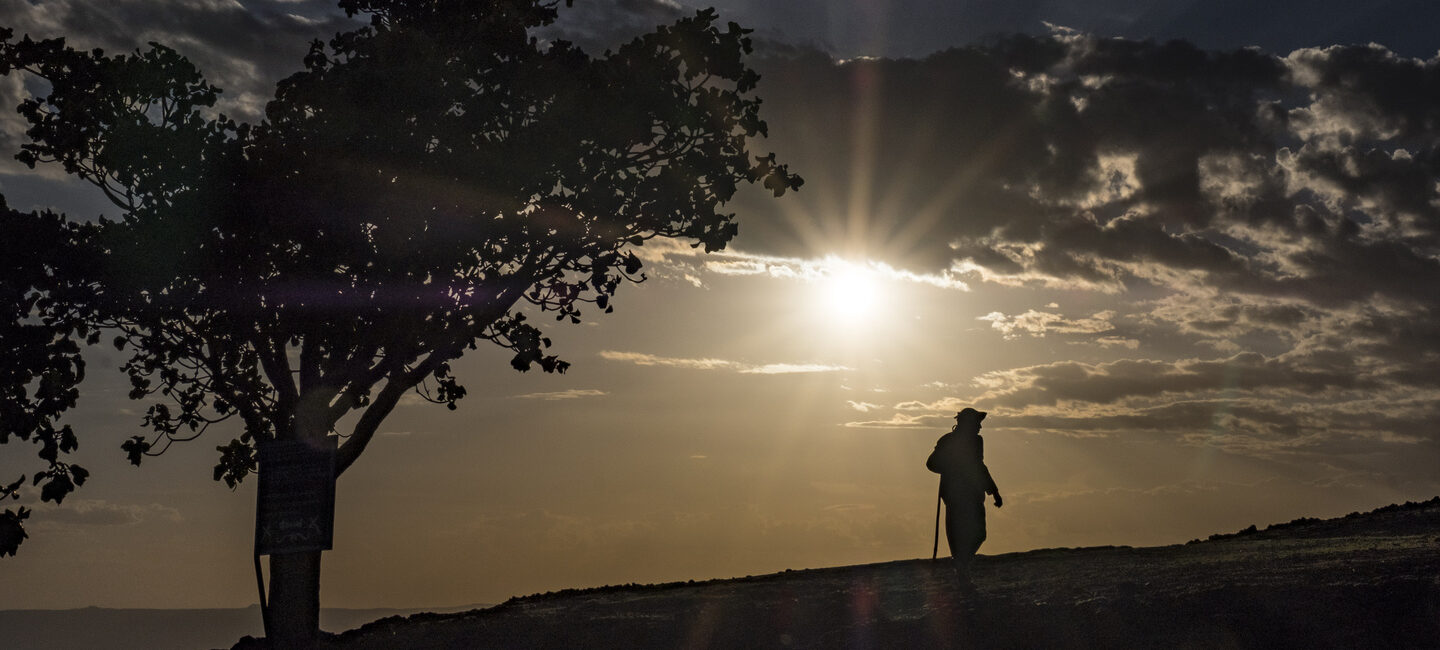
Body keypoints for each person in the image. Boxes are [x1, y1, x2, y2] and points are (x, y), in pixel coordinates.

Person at [926, 407, 1002, 585]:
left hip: (974, 493)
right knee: (957, 533)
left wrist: (994, 491)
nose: (980, 428)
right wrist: (949, 465)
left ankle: (961, 563)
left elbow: (979, 466)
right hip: (954, 494)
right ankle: (962, 569)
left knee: (978, 533)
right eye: (977, 424)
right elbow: (931, 463)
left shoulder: (976, 441)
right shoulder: (947, 441)